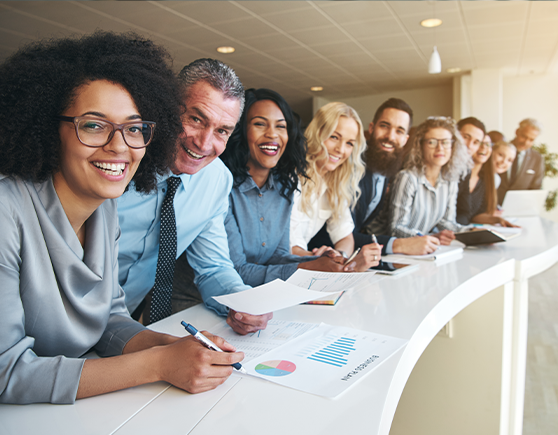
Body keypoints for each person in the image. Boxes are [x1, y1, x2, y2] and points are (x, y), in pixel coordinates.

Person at [0, 32, 243, 405]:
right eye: (94, 125)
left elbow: (109, 320)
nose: (118, 146)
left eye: (133, 128)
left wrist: (176, 347)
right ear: (50, 127)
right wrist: (159, 363)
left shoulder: (103, 208)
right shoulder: (6, 210)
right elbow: (7, 373)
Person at [117, 59, 271, 334]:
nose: (204, 143)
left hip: (121, 326)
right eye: (196, 119)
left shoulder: (216, 180)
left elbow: (213, 268)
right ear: (168, 108)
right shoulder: (118, 161)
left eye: (222, 131)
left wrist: (241, 301)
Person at [220, 88, 348, 287]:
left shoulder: (284, 188)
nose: (272, 134)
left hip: (256, 298)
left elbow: (277, 256)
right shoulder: (223, 188)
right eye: (260, 124)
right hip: (202, 303)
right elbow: (236, 270)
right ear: (241, 130)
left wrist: (323, 262)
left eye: (281, 126)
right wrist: (306, 268)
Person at [290, 102, 381, 269]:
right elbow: (288, 247)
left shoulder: (334, 184)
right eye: (334, 137)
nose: (341, 149)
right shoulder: (291, 178)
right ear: (318, 133)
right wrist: (326, 258)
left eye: (349, 143)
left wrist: (341, 255)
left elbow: (345, 237)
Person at [368, 116, 471, 244]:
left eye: (445, 142)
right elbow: (396, 229)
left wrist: (471, 231)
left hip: (420, 249)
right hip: (384, 250)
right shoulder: (407, 178)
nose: (440, 148)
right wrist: (428, 238)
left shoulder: (451, 180)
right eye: (432, 142)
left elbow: (446, 222)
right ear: (420, 145)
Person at [456, 134, 517, 227]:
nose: (504, 162)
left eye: (509, 160)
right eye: (500, 155)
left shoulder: (491, 179)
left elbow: (475, 215)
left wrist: (498, 220)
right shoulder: (462, 173)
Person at [497, 118, 544, 204]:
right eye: (524, 136)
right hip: (492, 206)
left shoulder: (537, 158)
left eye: (531, 140)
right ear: (517, 132)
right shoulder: (499, 150)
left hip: (519, 208)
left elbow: (536, 188)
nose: (526, 142)